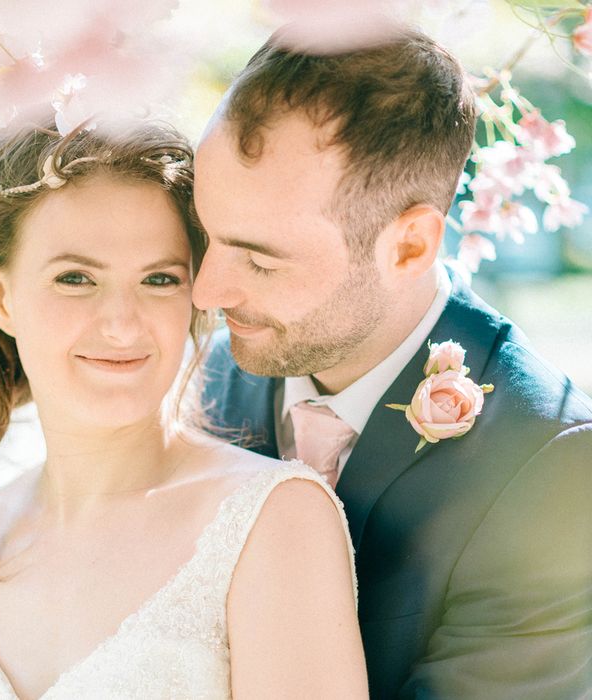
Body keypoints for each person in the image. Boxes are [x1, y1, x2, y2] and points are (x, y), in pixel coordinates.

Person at [0, 116, 368, 699]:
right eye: (75, 278)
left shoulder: (271, 520)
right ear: (0, 295)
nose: (121, 326)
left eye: (160, 280)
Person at [194, 27, 592, 699]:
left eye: (260, 259)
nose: (206, 292)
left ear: (409, 246)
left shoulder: (551, 466)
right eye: (204, 233)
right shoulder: (209, 375)